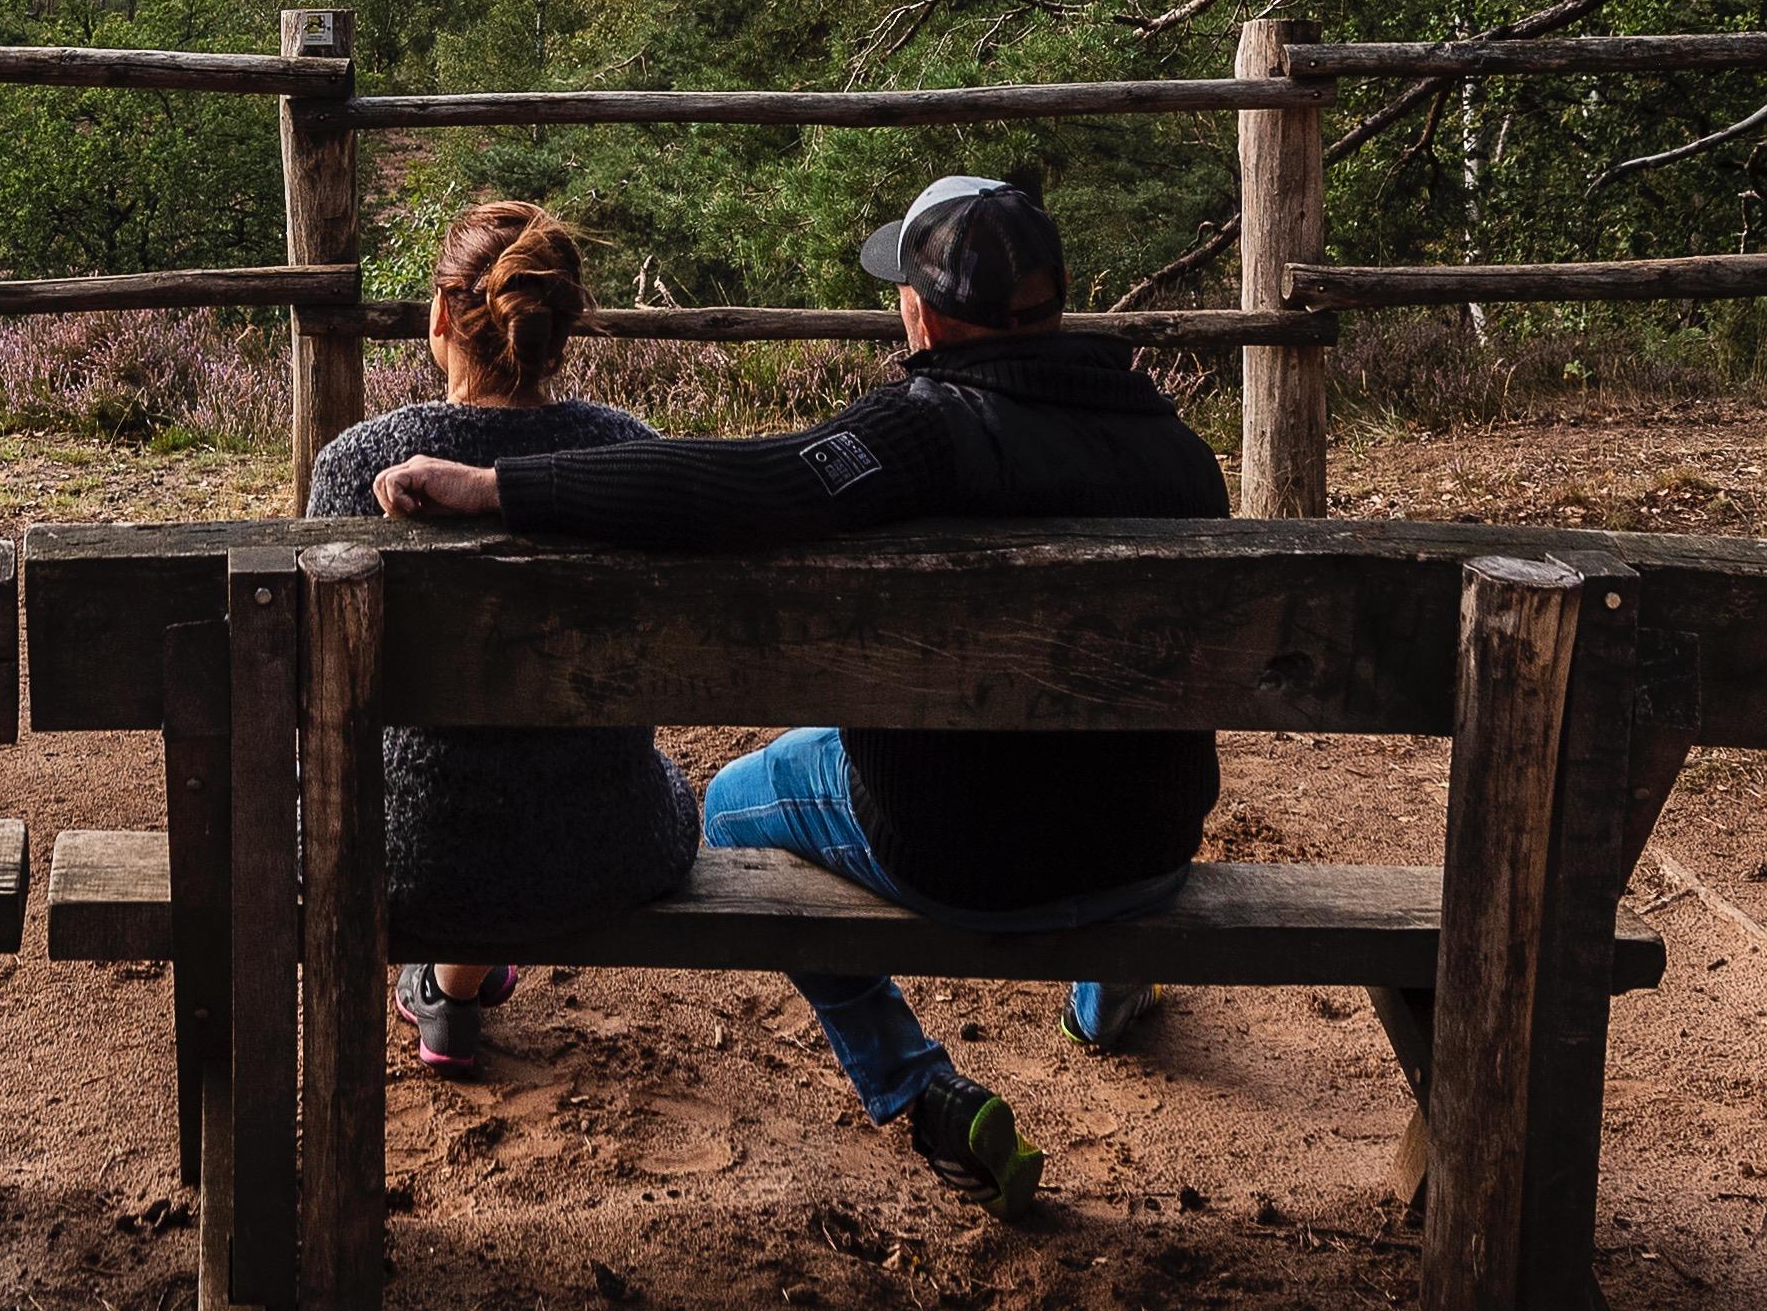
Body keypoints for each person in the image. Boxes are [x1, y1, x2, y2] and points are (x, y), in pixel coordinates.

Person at [373, 174, 1223, 1212]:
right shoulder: (1175, 452)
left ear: (918, 311)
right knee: (1083, 749)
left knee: (731, 804)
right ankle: (1106, 988)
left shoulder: (925, 436)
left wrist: (498, 487)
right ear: (1054, 302)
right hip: (1144, 853)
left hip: (964, 856)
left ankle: (915, 1086)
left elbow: (748, 485)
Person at [300, 200, 693, 1072]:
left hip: (403, 856)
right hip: (608, 847)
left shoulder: (356, 465)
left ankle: (447, 982)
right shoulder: (631, 455)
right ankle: (453, 981)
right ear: (562, 329)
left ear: (440, 317)